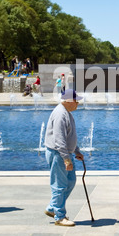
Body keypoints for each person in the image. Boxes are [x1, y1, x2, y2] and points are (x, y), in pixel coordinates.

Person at [44, 89, 84, 227]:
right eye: (76, 101)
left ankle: (52, 207)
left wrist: (76, 150)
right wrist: (66, 159)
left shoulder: (67, 113)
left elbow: (69, 136)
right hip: (58, 154)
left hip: (65, 153)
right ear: (68, 101)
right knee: (59, 186)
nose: (78, 103)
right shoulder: (60, 114)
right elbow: (59, 140)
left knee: (71, 181)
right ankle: (59, 217)